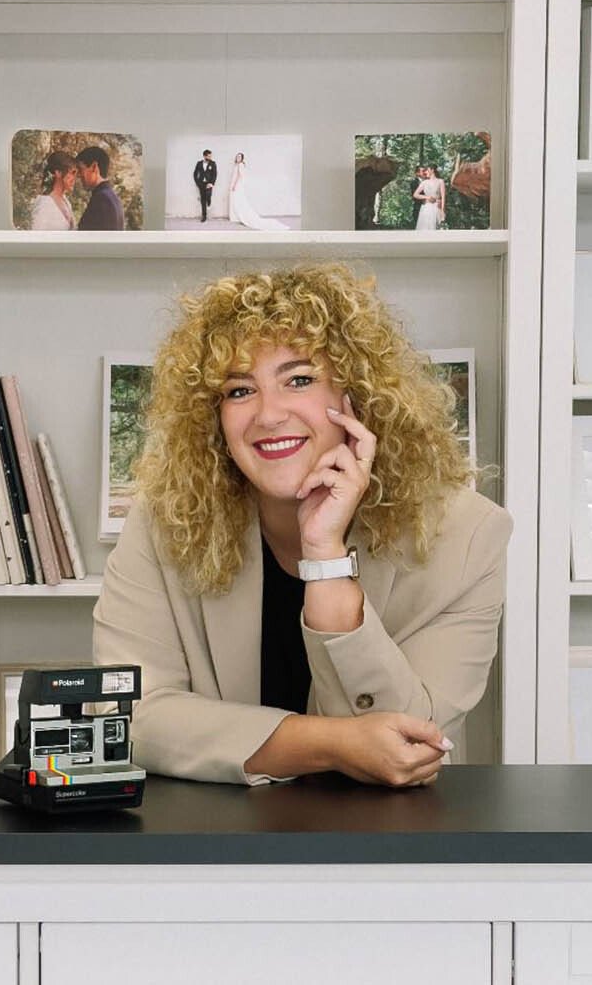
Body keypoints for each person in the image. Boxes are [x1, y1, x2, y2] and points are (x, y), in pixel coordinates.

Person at [94, 264, 510, 787]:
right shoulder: (166, 522)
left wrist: (326, 557)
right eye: (239, 391)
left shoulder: (468, 536)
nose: (268, 415)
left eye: (300, 380)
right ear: (213, 417)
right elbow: (129, 714)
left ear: (357, 397)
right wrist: (330, 745)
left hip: (387, 851)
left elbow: (412, 747)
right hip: (210, 848)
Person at [227, 152, 287, 232]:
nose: (238, 158)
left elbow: (239, 175)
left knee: (238, 201)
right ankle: (236, 216)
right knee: (235, 200)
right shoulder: (237, 165)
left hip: (237, 184)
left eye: (240, 157)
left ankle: (240, 216)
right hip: (236, 184)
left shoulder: (240, 165)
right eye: (237, 157)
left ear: (242, 158)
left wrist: (234, 185)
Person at [74, 145, 125, 231]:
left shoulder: (102, 199)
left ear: (94, 167)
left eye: (80, 169)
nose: (78, 175)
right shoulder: (111, 197)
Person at [27, 151, 78, 231]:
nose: (74, 179)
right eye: (72, 173)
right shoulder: (43, 203)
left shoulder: (67, 202)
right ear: (58, 172)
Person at [412, 165, 446, 230]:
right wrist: (427, 197)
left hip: (437, 208)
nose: (425, 172)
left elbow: (443, 197)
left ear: (432, 170)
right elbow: (415, 194)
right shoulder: (424, 182)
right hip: (426, 208)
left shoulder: (440, 181)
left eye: (426, 170)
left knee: (437, 229)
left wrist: (443, 210)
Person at [192, 149, 217, 223]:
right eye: (209, 156)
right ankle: (204, 216)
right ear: (204, 156)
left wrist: (211, 183)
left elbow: (214, 174)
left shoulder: (213, 163)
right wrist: (197, 183)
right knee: (203, 200)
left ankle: (209, 199)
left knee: (208, 195)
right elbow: (195, 173)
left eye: (210, 156)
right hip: (201, 184)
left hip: (209, 183)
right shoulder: (199, 163)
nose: (210, 157)